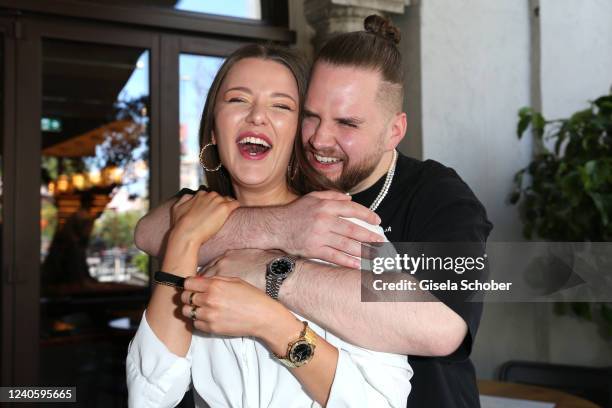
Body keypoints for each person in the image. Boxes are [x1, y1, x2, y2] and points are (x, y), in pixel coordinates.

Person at [136, 16, 493, 408]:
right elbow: (148, 231)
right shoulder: (210, 219)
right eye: (312, 115)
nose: (320, 139)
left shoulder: (435, 198)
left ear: (394, 130)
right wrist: (210, 234)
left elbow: (442, 328)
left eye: (347, 123)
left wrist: (266, 275)